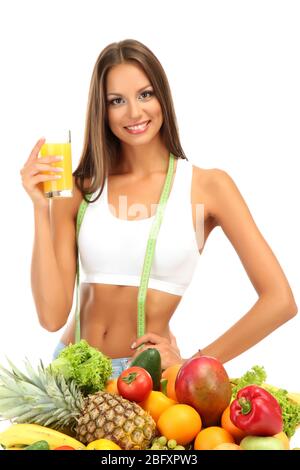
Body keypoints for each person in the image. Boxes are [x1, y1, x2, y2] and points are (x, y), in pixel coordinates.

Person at [20, 39, 297, 378]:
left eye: (145, 94)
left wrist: (193, 364)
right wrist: (39, 208)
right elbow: (51, 317)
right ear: (102, 111)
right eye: (116, 101)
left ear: (162, 97)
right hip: (70, 370)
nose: (134, 113)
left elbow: (280, 301)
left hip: (145, 375)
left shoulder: (208, 187)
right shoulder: (81, 188)